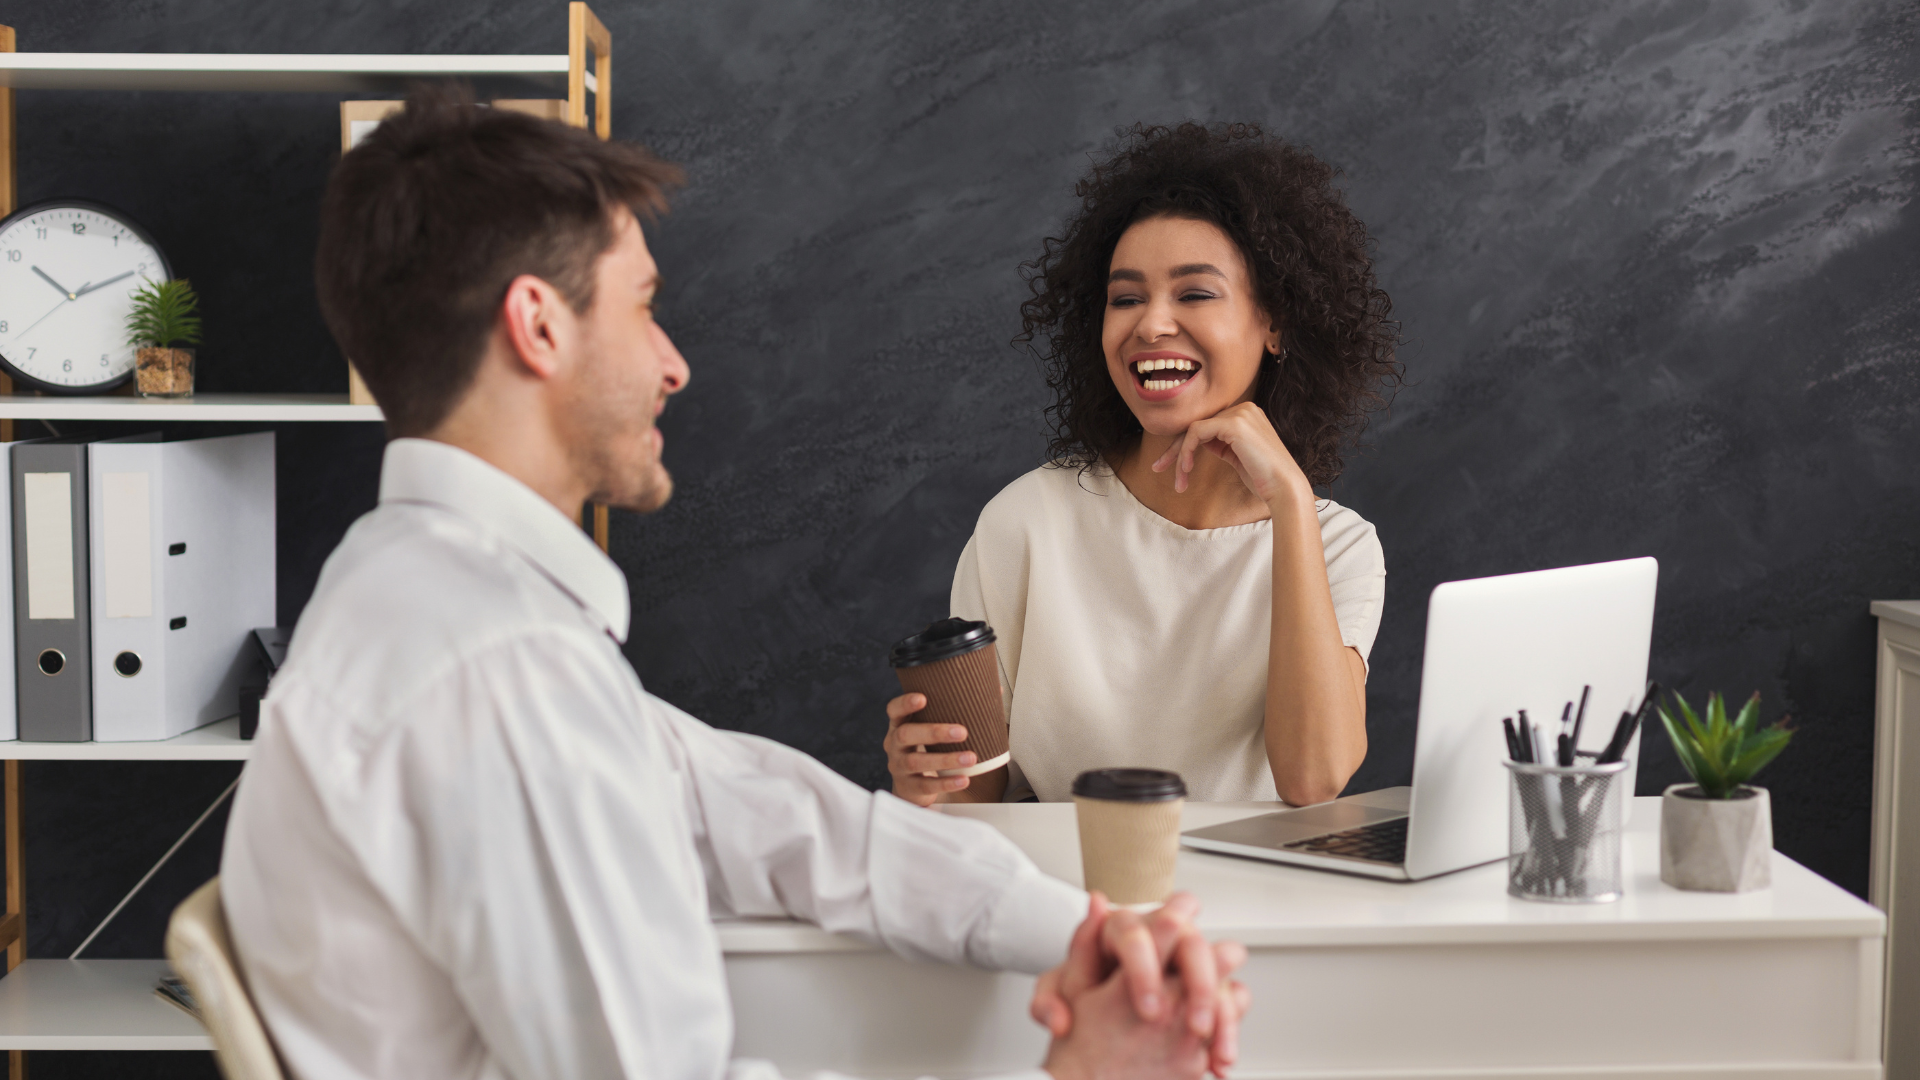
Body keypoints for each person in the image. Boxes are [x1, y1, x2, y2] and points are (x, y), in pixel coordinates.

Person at [218, 89, 1248, 1080]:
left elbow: (757, 811)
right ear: (537, 326)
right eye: (644, 307)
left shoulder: (433, 596)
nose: (674, 365)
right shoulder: (494, 669)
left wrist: (1086, 928)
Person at [885, 122, 1402, 807]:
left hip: (1260, 906)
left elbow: (1313, 779)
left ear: (1274, 322)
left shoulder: (1335, 544)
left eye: (1194, 294)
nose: (1150, 325)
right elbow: (979, 802)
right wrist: (928, 778)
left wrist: (1290, 502)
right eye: (1125, 298)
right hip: (1077, 901)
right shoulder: (1026, 523)